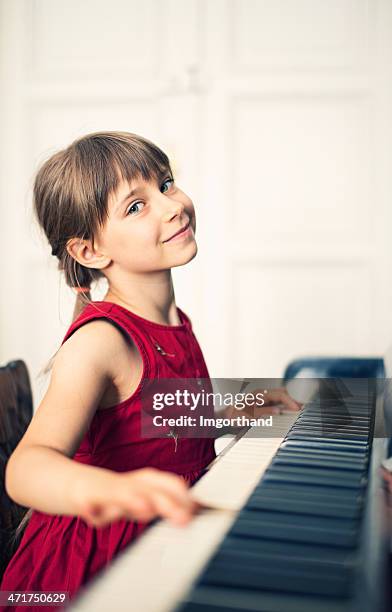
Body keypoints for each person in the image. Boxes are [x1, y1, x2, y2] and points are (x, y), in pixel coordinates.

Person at [0, 131, 301, 609]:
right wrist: (117, 490)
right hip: (88, 569)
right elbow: (26, 469)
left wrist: (230, 409)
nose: (170, 207)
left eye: (165, 184)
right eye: (135, 207)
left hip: (164, 537)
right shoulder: (100, 342)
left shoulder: (175, 322)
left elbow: (147, 419)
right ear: (90, 252)